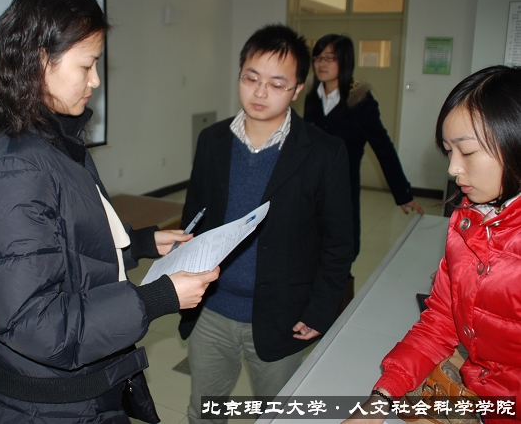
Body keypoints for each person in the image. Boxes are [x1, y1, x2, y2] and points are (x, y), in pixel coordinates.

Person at [0, 0, 218, 423]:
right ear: (40, 61)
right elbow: (35, 323)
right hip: (46, 409)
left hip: (75, 397)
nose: (95, 80)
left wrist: (142, 244)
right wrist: (158, 298)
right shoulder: (13, 172)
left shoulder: (49, 142)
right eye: (87, 65)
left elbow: (65, 246)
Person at [178, 24, 355, 423]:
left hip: (283, 316)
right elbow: (195, 220)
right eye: (251, 79)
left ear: (297, 89)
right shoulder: (212, 140)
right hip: (211, 310)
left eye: (276, 84)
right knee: (205, 413)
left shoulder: (324, 152)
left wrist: (321, 309)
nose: (260, 93)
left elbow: (339, 242)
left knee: (280, 415)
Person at [345, 65, 521, 424]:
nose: (453, 169)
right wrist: (381, 399)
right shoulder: (469, 222)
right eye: (448, 151)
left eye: (467, 152)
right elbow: (441, 321)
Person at [304, 34, 423, 259]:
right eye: (317, 58)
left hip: (343, 187)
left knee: (343, 245)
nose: (321, 64)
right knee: (310, 242)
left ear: (345, 60)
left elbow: (383, 147)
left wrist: (403, 193)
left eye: (330, 58)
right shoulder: (312, 97)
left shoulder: (360, 102)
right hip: (311, 186)